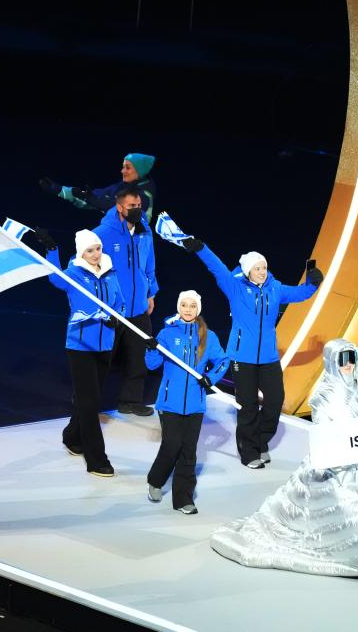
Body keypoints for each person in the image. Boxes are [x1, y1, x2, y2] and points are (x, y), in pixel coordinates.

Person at [210, 339, 358, 578]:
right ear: (332, 362)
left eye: (352, 359)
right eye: (342, 360)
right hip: (336, 462)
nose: (348, 365)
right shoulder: (325, 393)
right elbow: (324, 430)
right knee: (353, 508)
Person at [181, 236, 323, 468]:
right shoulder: (235, 287)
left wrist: (313, 283)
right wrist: (201, 248)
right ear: (248, 271)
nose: (262, 272)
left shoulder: (275, 288)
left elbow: (300, 294)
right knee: (247, 406)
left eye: (264, 267)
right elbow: (216, 267)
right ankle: (248, 452)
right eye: (257, 268)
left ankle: (260, 440)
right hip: (241, 357)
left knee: (275, 401)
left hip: (269, 358)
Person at [36, 227, 126, 477]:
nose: (95, 254)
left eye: (97, 249)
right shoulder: (74, 274)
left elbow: (119, 303)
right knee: (89, 403)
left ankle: (71, 436)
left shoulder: (110, 272)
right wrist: (52, 250)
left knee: (90, 397)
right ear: (80, 253)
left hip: (105, 345)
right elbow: (54, 278)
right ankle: (96, 459)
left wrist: (116, 319)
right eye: (89, 251)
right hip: (80, 347)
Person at [144, 290, 230, 514]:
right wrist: (151, 349)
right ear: (178, 307)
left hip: (195, 403)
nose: (188, 309)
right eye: (184, 305)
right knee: (172, 444)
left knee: (189, 451)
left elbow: (223, 361)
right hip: (168, 401)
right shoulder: (167, 333)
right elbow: (151, 364)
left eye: (192, 306)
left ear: (198, 309)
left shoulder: (208, 336)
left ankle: (183, 498)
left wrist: (211, 378)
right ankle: (155, 480)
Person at [93, 186, 159, 417]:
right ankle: (88, 402)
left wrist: (151, 293)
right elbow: (84, 262)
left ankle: (130, 401)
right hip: (112, 308)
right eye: (132, 206)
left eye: (139, 205)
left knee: (138, 357)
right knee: (103, 358)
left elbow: (149, 264)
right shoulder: (103, 233)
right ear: (120, 207)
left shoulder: (144, 231)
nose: (137, 210)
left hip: (139, 306)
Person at [40, 152, 158, 222]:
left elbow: (117, 206)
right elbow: (98, 195)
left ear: (139, 171)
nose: (122, 171)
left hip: (134, 247)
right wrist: (63, 191)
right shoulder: (123, 186)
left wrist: (90, 198)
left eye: (128, 168)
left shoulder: (145, 195)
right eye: (123, 167)